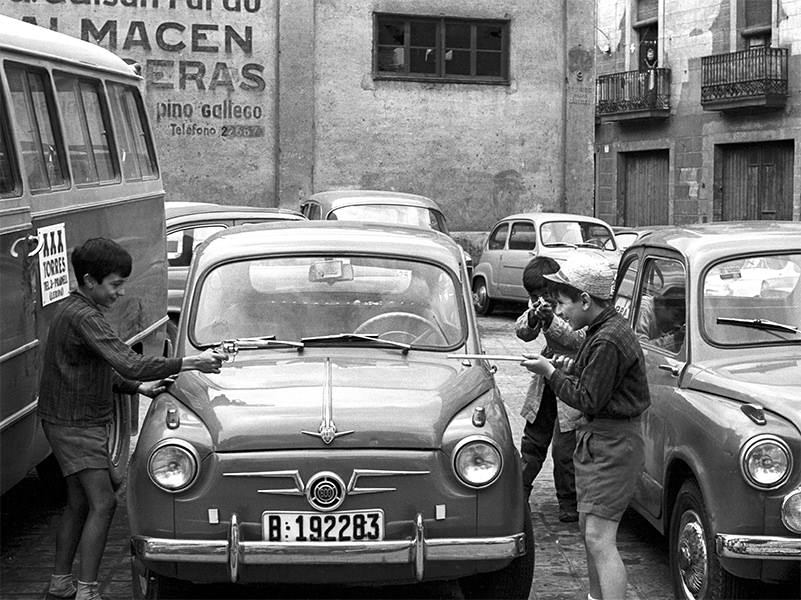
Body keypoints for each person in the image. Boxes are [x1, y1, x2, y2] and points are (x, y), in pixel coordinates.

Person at [38, 238, 227, 600]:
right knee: (104, 502)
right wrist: (191, 361)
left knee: (79, 503)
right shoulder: (84, 317)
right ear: (90, 281)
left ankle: (61, 584)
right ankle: (88, 591)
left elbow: (89, 370)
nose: (120, 292)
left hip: (69, 419)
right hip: (75, 425)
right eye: (115, 284)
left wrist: (138, 390)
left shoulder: (72, 310)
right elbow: (129, 362)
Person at [520, 254, 650, 600]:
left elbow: (588, 398)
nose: (559, 313)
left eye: (562, 303)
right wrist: (566, 363)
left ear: (586, 300)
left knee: (599, 538)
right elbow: (591, 370)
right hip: (600, 441)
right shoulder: (601, 330)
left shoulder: (608, 338)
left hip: (615, 444)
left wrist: (550, 373)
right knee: (588, 530)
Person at [515, 256, 585, 522]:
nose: (540, 299)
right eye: (534, 296)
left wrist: (552, 321)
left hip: (569, 378)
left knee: (565, 448)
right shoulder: (537, 305)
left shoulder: (571, 303)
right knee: (533, 441)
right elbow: (522, 331)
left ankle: (568, 501)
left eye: (544, 294)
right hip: (545, 382)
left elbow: (578, 337)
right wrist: (535, 317)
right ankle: (518, 495)